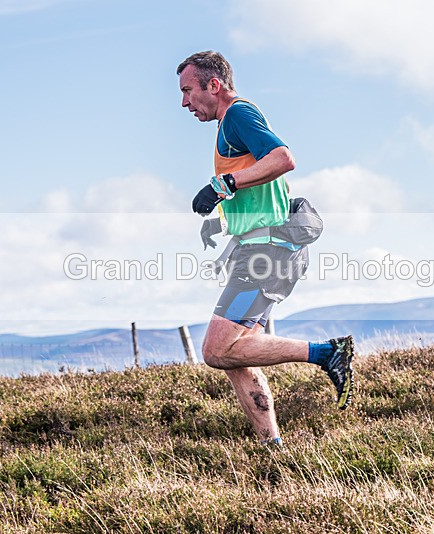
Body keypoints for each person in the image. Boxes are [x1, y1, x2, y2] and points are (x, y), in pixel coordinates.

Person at [177, 51, 354, 444]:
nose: (184, 102)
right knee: (238, 354)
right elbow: (260, 184)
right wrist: (221, 209)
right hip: (260, 251)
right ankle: (270, 445)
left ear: (213, 85)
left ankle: (328, 353)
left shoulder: (238, 114)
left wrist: (224, 185)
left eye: (188, 91)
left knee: (215, 350)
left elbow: (283, 158)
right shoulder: (228, 127)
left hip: (266, 255)